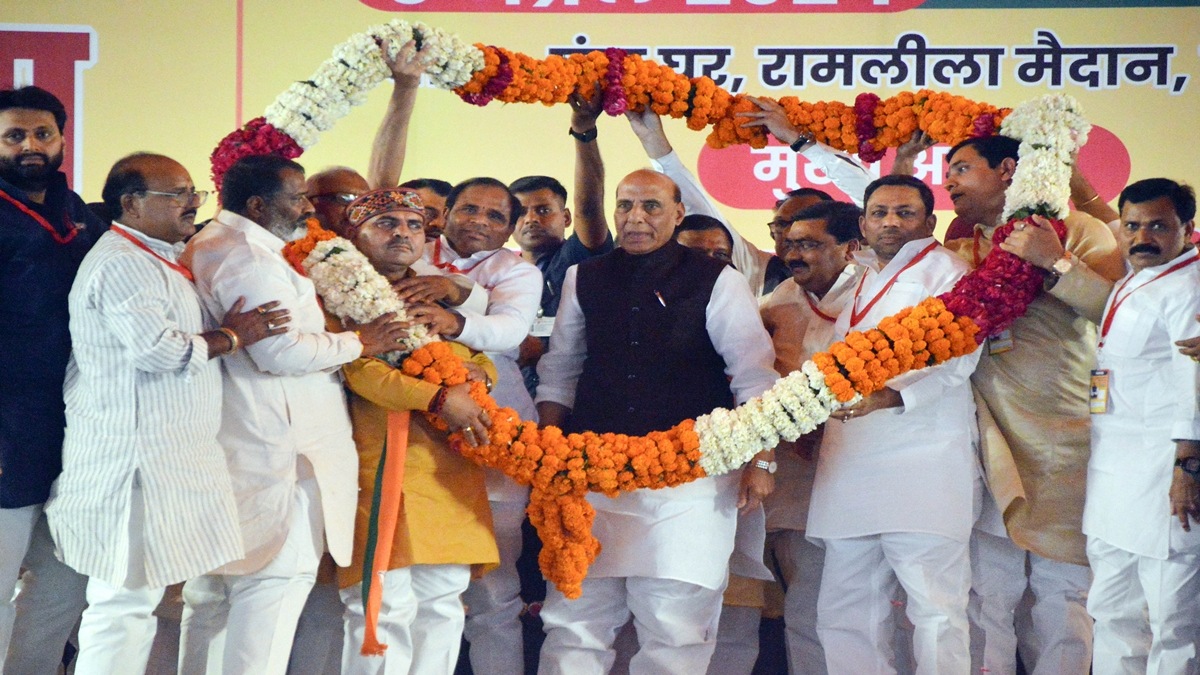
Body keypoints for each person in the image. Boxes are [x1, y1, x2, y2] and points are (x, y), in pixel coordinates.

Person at [44, 153, 287, 674]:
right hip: (131, 465)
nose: (192, 203)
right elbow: (161, 352)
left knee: (136, 605)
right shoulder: (123, 263)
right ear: (130, 203)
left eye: (193, 192)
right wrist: (236, 335)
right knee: (123, 607)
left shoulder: (154, 256)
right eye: (176, 194)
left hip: (161, 462)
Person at [535, 169, 778, 674]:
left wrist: (762, 459)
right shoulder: (586, 276)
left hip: (690, 480)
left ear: (676, 213)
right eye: (625, 206)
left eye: (650, 206)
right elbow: (560, 370)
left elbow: (752, 375)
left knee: (677, 629)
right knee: (575, 621)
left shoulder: (717, 279)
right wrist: (547, 455)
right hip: (591, 473)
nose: (635, 218)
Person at [177, 153, 409, 674]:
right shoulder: (247, 257)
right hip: (279, 460)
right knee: (271, 591)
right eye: (296, 197)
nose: (307, 206)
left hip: (253, 448)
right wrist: (361, 341)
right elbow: (278, 352)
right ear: (258, 204)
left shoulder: (235, 245)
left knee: (213, 599)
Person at [941, 135, 1126, 675]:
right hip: (987, 436)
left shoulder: (1081, 232)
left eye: (960, 169)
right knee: (985, 591)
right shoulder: (958, 251)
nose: (948, 181)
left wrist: (1057, 262)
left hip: (1065, 436)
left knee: (1062, 590)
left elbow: (1120, 315)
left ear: (1006, 171)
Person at [809, 175, 980, 673]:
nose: (891, 222)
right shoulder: (862, 273)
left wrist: (886, 397)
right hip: (851, 462)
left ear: (930, 222)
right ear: (862, 223)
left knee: (936, 610)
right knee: (843, 610)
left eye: (905, 212)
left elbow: (959, 360)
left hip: (923, 461)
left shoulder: (948, 272)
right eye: (879, 212)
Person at [333, 187, 501, 674]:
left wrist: (480, 377)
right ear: (354, 234)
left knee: (444, 604)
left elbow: (476, 354)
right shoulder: (338, 292)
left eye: (412, 225)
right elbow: (361, 371)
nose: (403, 234)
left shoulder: (432, 292)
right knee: (383, 607)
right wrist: (439, 398)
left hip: (450, 466)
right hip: (385, 463)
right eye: (386, 224)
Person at [418, 177, 543, 675]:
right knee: (428, 584)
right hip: (420, 430)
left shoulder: (516, 270)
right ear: (445, 212)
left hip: (498, 430)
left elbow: (509, 332)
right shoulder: (409, 246)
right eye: (468, 209)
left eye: (495, 217)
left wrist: (456, 312)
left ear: (512, 229)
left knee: (495, 586)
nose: (479, 222)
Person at [0, 85, 103, 673]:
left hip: (77, 430)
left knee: (64, 585)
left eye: (42, 134)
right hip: (9, 429)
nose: (30, 146)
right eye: (15, 135)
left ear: (62, 139)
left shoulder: (79, 214)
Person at [1083, 177, 1200, 673]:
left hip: (1164, 475)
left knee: (1170, 621)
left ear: (1187, 229)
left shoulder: (1189, 285)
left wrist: (1187, 468)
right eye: (1132, 225)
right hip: (1113, 468)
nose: (1142, 236)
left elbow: (1193, 379)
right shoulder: (1137, 273)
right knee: (1110, 610)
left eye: (1158, 225)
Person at [757, 200, 862, 674]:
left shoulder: (875, 296)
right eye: (791, 243)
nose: (795, 254)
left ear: (849, 247)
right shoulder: (779, 300)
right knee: (806, 604)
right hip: (796, 479)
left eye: (811, 244)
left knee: (864, 606)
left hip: (863, 468)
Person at [626, 105, 871, 297]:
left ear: (847, 244)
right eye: (781, 226)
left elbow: (874, 197)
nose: (791, 235)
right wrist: (654, 141)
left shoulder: (864, 267)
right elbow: (697, 205)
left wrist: (797, 139)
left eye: (806, 228)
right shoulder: (756, 269)